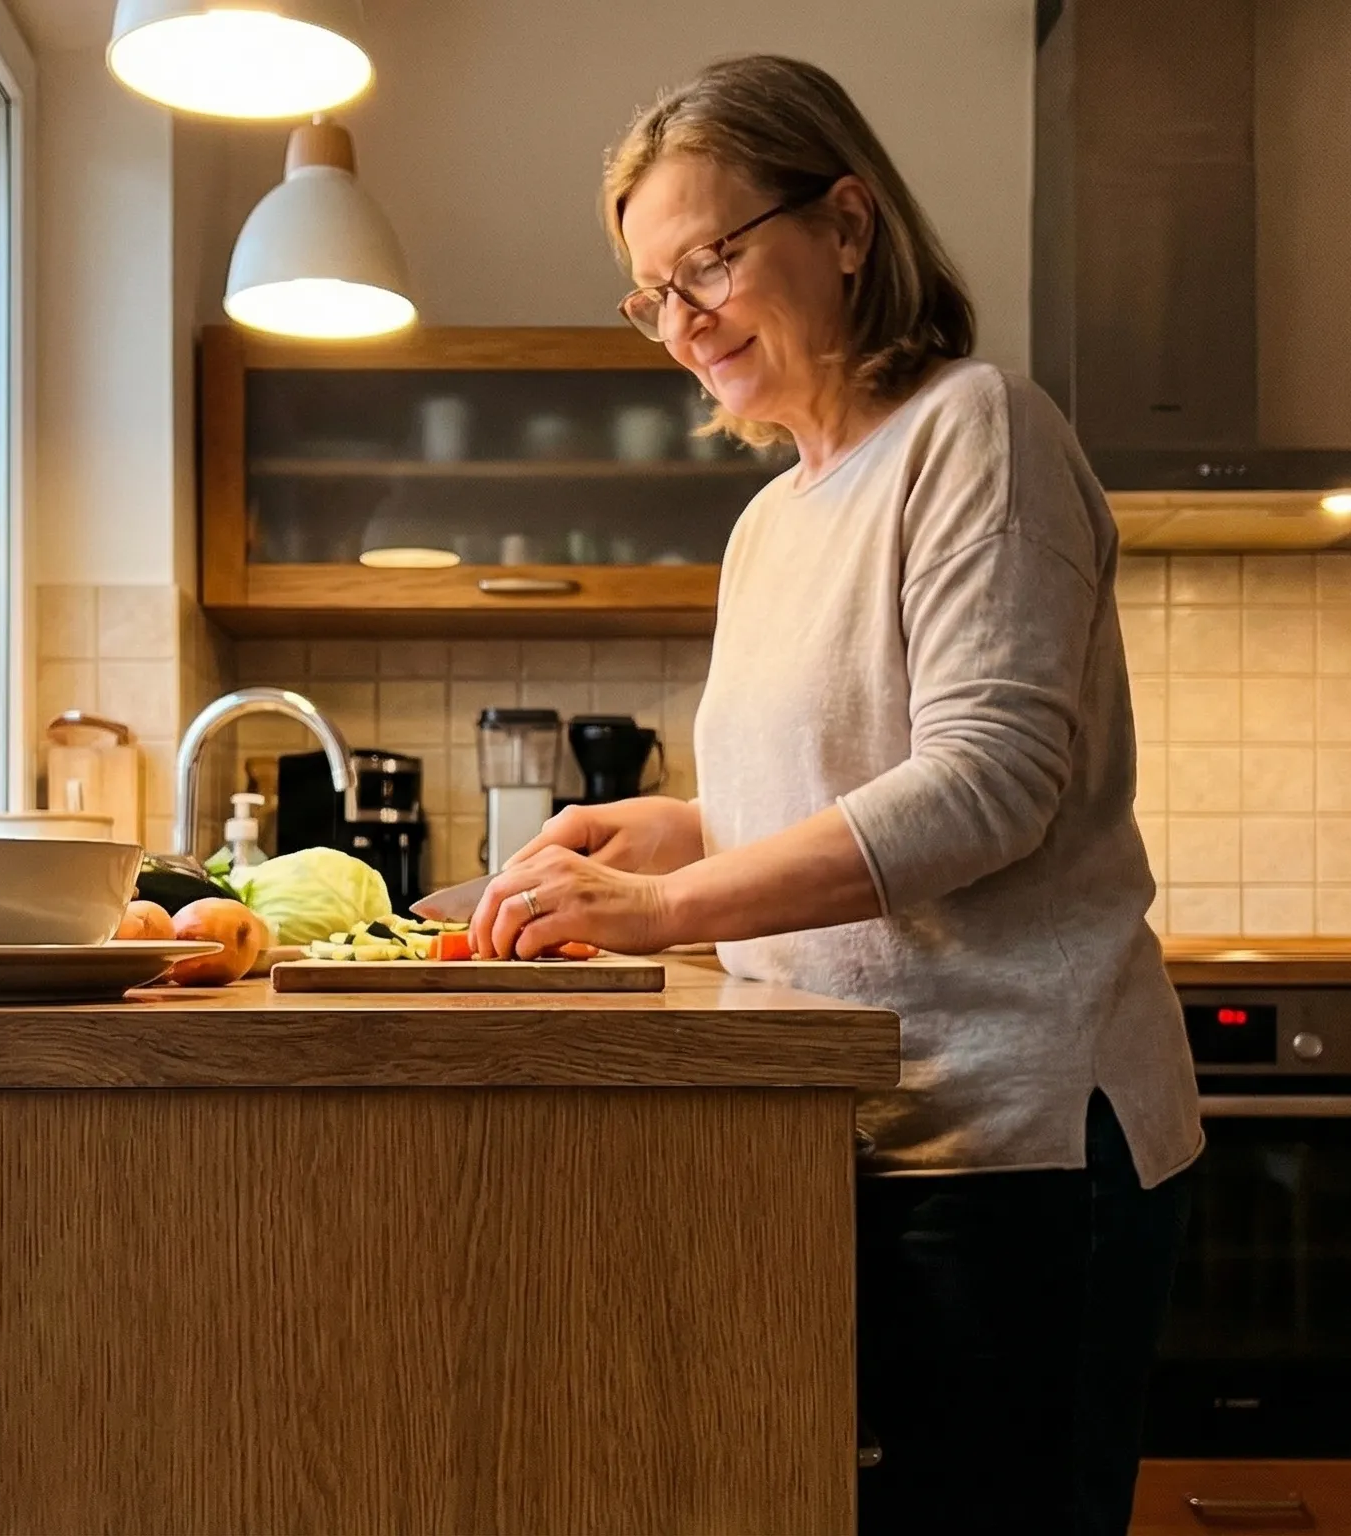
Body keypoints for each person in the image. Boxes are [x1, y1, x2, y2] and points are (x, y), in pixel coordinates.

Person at [468, 54, 1202, 1535]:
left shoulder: (975, 429)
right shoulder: (769, 521)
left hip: (1016, 1144)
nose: (685, 325)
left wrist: (665, 904)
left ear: (848, 225)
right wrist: (675, 830)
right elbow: (828, 791)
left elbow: (987, 787)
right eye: (653, 294)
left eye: (712, 264)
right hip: (840, 1125)